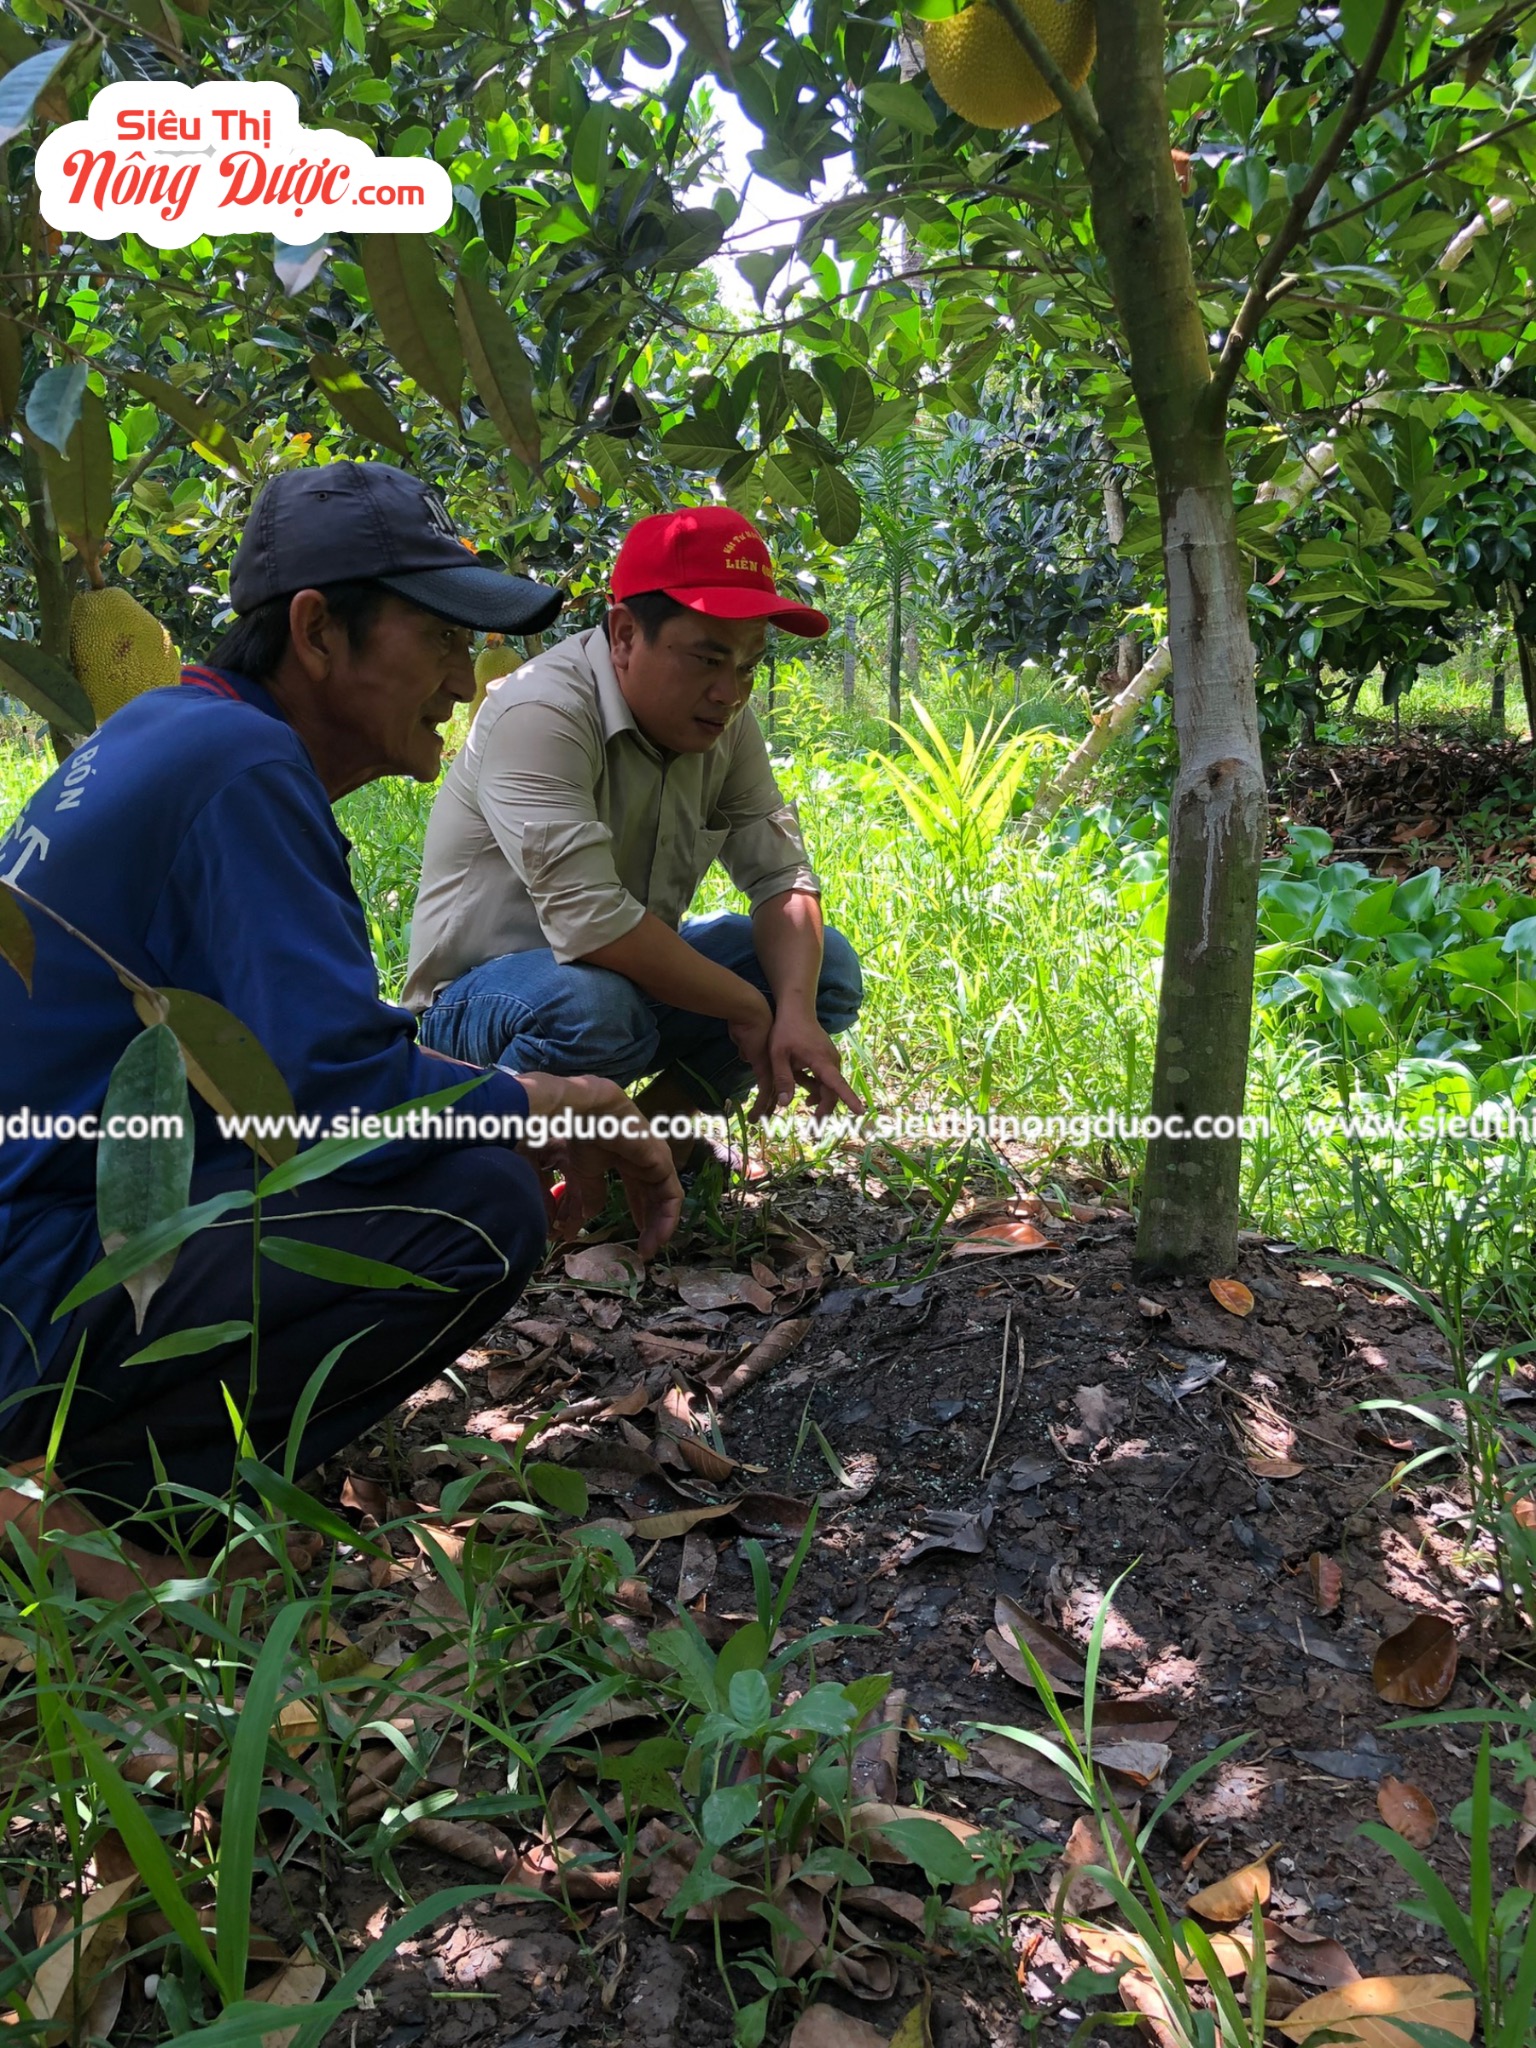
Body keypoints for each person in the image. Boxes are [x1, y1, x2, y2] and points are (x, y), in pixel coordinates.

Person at [0, 462, 681, 1595]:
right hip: (34, 1285)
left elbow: (281, 1071)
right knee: (476, 1204)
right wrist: (555, 1099)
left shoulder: (178, 731)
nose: (466, 684)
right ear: (317, 631)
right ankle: (94, 1507)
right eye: (442, 640)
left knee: (455, 1147)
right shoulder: (242, 766)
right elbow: (331, 1092)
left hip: (39, 1237)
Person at [404, 506, 866, 1163]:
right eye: (708, 658)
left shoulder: (726, 724)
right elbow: (595, 924)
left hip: (615, 988)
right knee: (595, 1004)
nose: (730, 691)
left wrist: (791, 1008)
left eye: (748, 664)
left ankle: (630, 1155)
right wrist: (747, 1006)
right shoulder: (541, 711)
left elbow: (780, 878)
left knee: (827, 972)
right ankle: (488, 1178)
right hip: (479, 1012)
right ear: (623, 635)